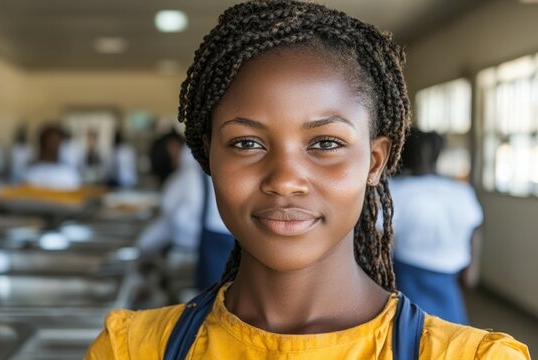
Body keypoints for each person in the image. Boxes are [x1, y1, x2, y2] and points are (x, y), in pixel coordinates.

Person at [86, 1, 530, 359]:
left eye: (325, 143)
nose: (285, 180)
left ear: (375, 161)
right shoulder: (132, 348)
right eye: (246, 143)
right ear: (208, 158)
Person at [390, 130, 483, 325]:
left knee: (413, 334)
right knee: (451, 335)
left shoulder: (396, 190)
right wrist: (472, 268)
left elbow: (383, 238)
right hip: (449, 278)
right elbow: (475, 230)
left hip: (408, 276)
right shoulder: (461, 191)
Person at [24, 126, 81, 190]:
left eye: (57, 141)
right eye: (50, 141)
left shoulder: (68, 173)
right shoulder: (31, 172)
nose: (52, 146)